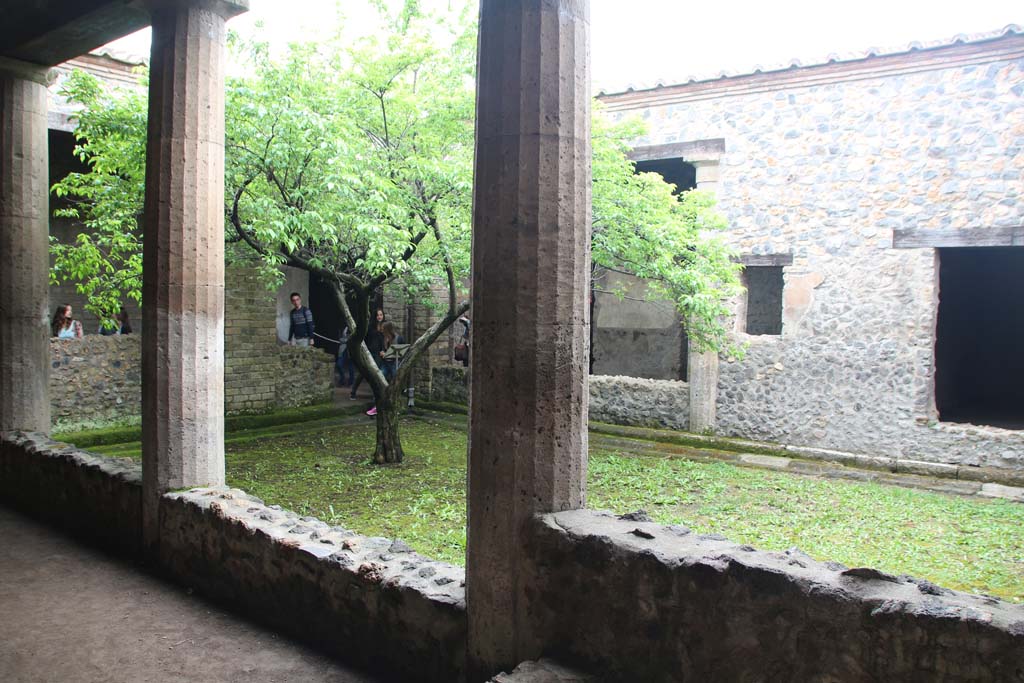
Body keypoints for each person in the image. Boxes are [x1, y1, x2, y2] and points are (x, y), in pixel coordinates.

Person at [350, 308, 385, 401]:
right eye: (378, 315)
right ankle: (353, 391)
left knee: (376, 374)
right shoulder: (370, 327)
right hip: (369, 352)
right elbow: (365, 339)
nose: (379, 317)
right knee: (362, 372)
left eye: (381, 315)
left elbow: (383, 341)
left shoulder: (384, 327)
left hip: (378, 354)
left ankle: (376, 395)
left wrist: (383, 350)